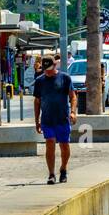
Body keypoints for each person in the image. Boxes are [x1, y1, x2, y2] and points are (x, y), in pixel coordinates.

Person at [33, 56, 77, 185]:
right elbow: (37, 101)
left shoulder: (65, 78)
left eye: (50, 68)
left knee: (64, 145)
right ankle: (51, 174)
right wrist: (37, 120)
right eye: (45, 69)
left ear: (55, 65)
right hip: (47, 119)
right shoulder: (39, 81)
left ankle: (63, 169)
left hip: (62, 118)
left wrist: (73, 112)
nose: (47, 71)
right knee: (50, 144)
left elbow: (73, 97)